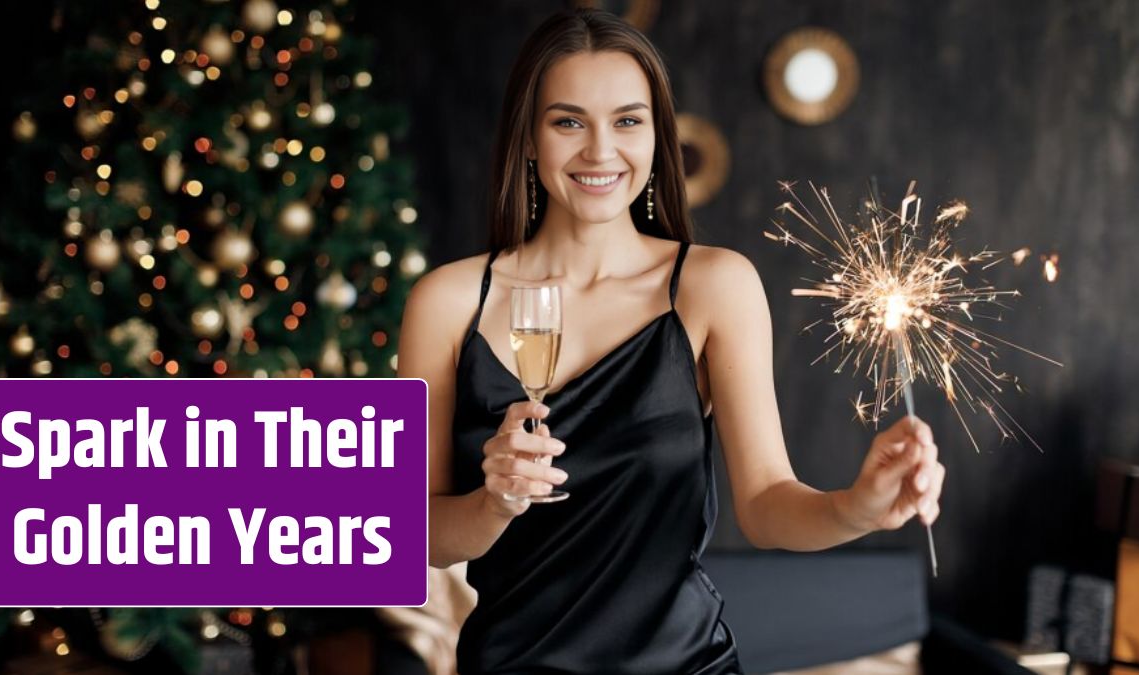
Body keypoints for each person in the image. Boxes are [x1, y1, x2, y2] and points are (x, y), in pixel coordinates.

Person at [398, 8, 945, 674]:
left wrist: (856, 507)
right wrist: (494, 503)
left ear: (658, 137)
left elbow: (768, 505)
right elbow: (417, 532)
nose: (601, 151)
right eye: (568, 121)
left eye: (628, 121)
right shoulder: (448, 302)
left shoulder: (714, 286)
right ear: (529, 138)